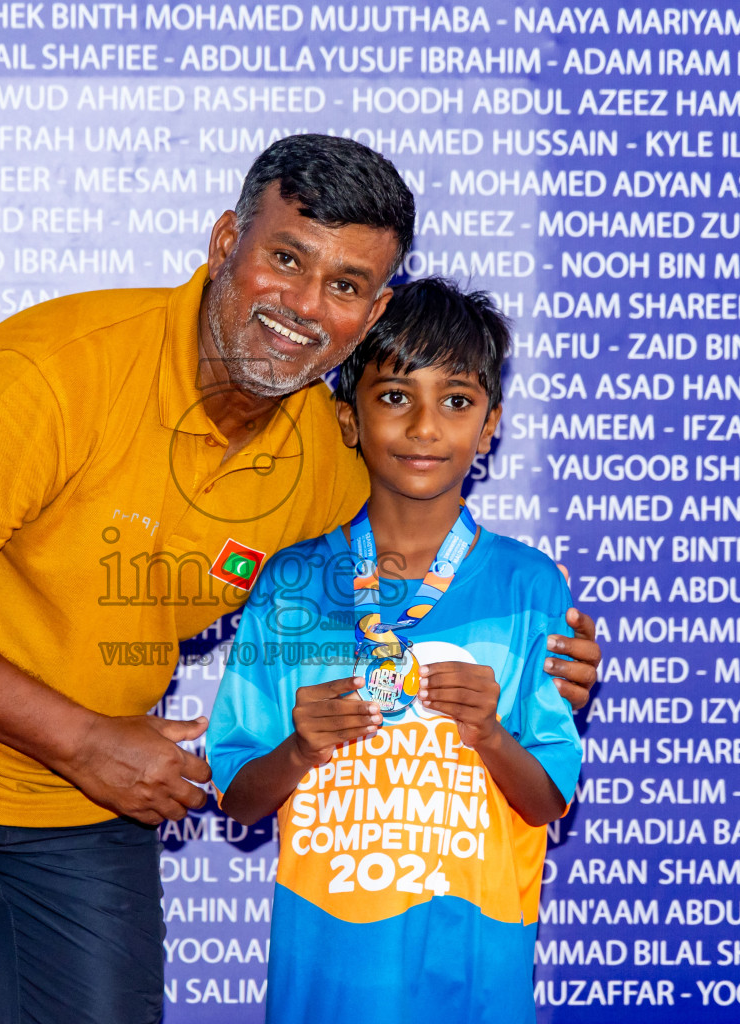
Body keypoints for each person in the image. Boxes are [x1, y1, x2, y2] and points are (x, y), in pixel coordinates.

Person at [0, 135, 601, 1024]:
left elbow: (420, 577)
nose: (305, 307)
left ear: (373, 307)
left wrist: (544, 653)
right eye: (286, 259)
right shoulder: (59, 367)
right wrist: (86, 741)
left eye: (345, 286)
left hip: (73, 789)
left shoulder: (333, 451)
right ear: (225, 240)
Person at [209, 277, 580, 1024]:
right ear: (348, 419)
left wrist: (490, 733)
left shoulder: (530, 584)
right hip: (327, 972)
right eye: (394, 396)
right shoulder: (291, 583)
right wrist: (298, 749)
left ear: (490, 425)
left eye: (456, 400)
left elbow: (548, 799)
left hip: (472, 966)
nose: (424, 427)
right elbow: (237, 798)